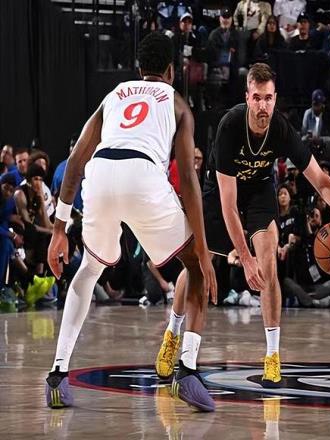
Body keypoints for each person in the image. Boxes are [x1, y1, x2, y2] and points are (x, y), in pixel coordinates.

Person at [45, 33, 217, 412]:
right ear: (171, 71)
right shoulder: (177, 103)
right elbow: (188, 179)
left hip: (101, 173)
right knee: (194, 268)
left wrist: (59, 230)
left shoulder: (115, 94)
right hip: (143, 176)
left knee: (89, 270)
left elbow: (75, 161)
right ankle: (187, 370)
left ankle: (58, 373)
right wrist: (203, 250)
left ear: (140, 70)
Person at [161, 63, 330, 388]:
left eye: (268, 98)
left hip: (259, 191)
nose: (263, 105)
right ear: (247, 98)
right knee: (197, 265)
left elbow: (320, 180)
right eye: (257, 98)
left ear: (275, 98)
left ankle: (272, 355)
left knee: (268, 263)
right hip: (220, 190)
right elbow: (228, 204)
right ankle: (172, 332)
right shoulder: (230, 126)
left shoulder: (281, 129)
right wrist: (244, 256)